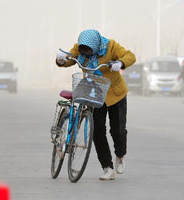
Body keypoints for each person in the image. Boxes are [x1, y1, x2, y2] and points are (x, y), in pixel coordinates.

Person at [56, 29, 136, 180]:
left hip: (115, 95)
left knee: (117, 130)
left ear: (96, 45)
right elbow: (70, 58)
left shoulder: (111, 46)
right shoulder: (80, 48)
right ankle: (107, 168)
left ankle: (120, 154)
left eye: (89, 50)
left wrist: (120, 63)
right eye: (83, 50)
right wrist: (62, 60)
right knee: (97, 131)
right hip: (94, 94)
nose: (86, 53)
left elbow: (130, 56)